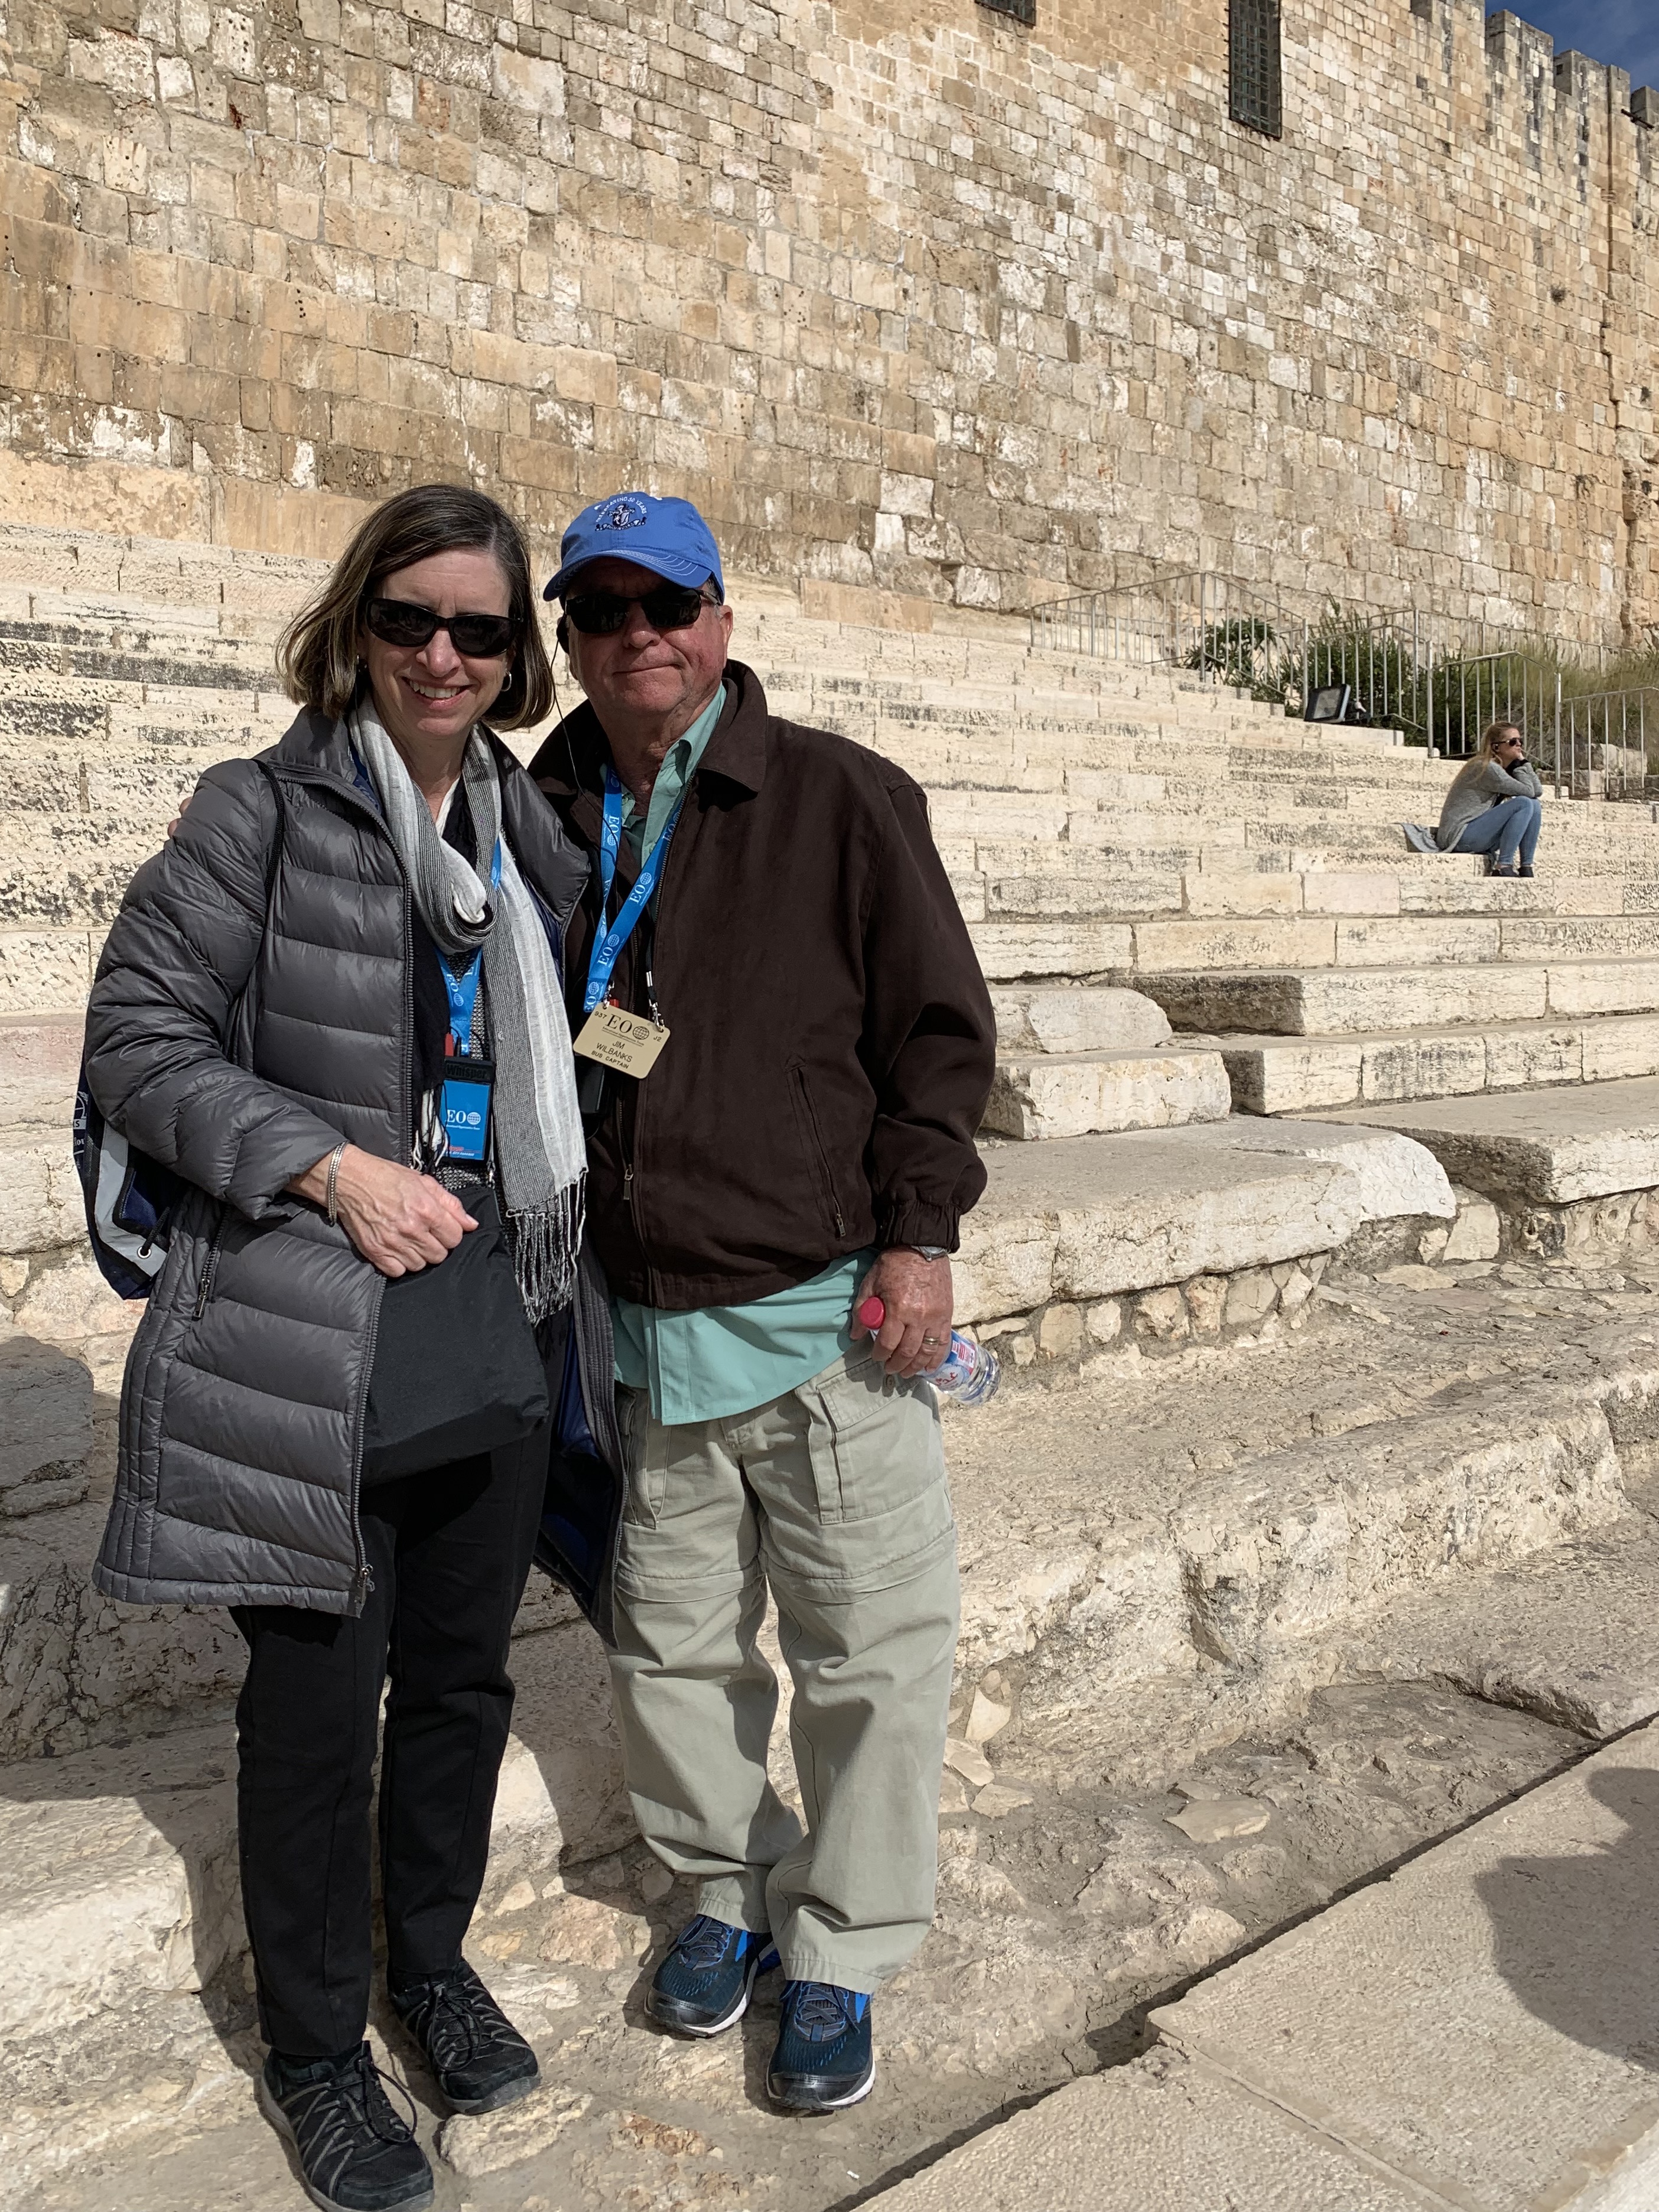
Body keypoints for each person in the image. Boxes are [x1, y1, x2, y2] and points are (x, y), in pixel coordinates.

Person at [83, 484, 622, 2212]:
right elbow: (136, 1036)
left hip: (499, 1319)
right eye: (411, 619)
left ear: (516, 652)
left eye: (479, 628)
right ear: (356, 625)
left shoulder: (531, 832)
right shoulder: (260, 811)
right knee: (316, 1710)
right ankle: (317, 2051)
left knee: (462, 1677)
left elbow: (590, 1039)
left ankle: (433, 1965)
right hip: (313, 1334)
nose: (443, 655)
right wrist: (328, 1165)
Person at [529, 492, 997, 2113]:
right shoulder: (544, 809)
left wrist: (920, 1238)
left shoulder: (839, 796)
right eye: (601, 611)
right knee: (668, 1649)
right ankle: (725, 1892)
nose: (637, 636)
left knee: (869, 1653)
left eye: (666, 604)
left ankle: (845, 1942)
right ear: (569, 641)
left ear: (720, 618)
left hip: (822, 1323)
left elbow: (939, 1033)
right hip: (644, 1326)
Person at [1435, 720, 1544, 876]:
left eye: (1520, 741)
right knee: (1524, 803)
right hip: (1459, 836)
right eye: (1513, 742)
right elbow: (1529, 791)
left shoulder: (1502, 768)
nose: (1519, 745)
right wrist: (1520, 767)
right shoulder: (1487, 767)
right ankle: (1503, 865)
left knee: (1534, 804)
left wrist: (1524, 763)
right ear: (1496, 747)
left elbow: (1537, 791)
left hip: (1477, 833)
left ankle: (1526, 866)